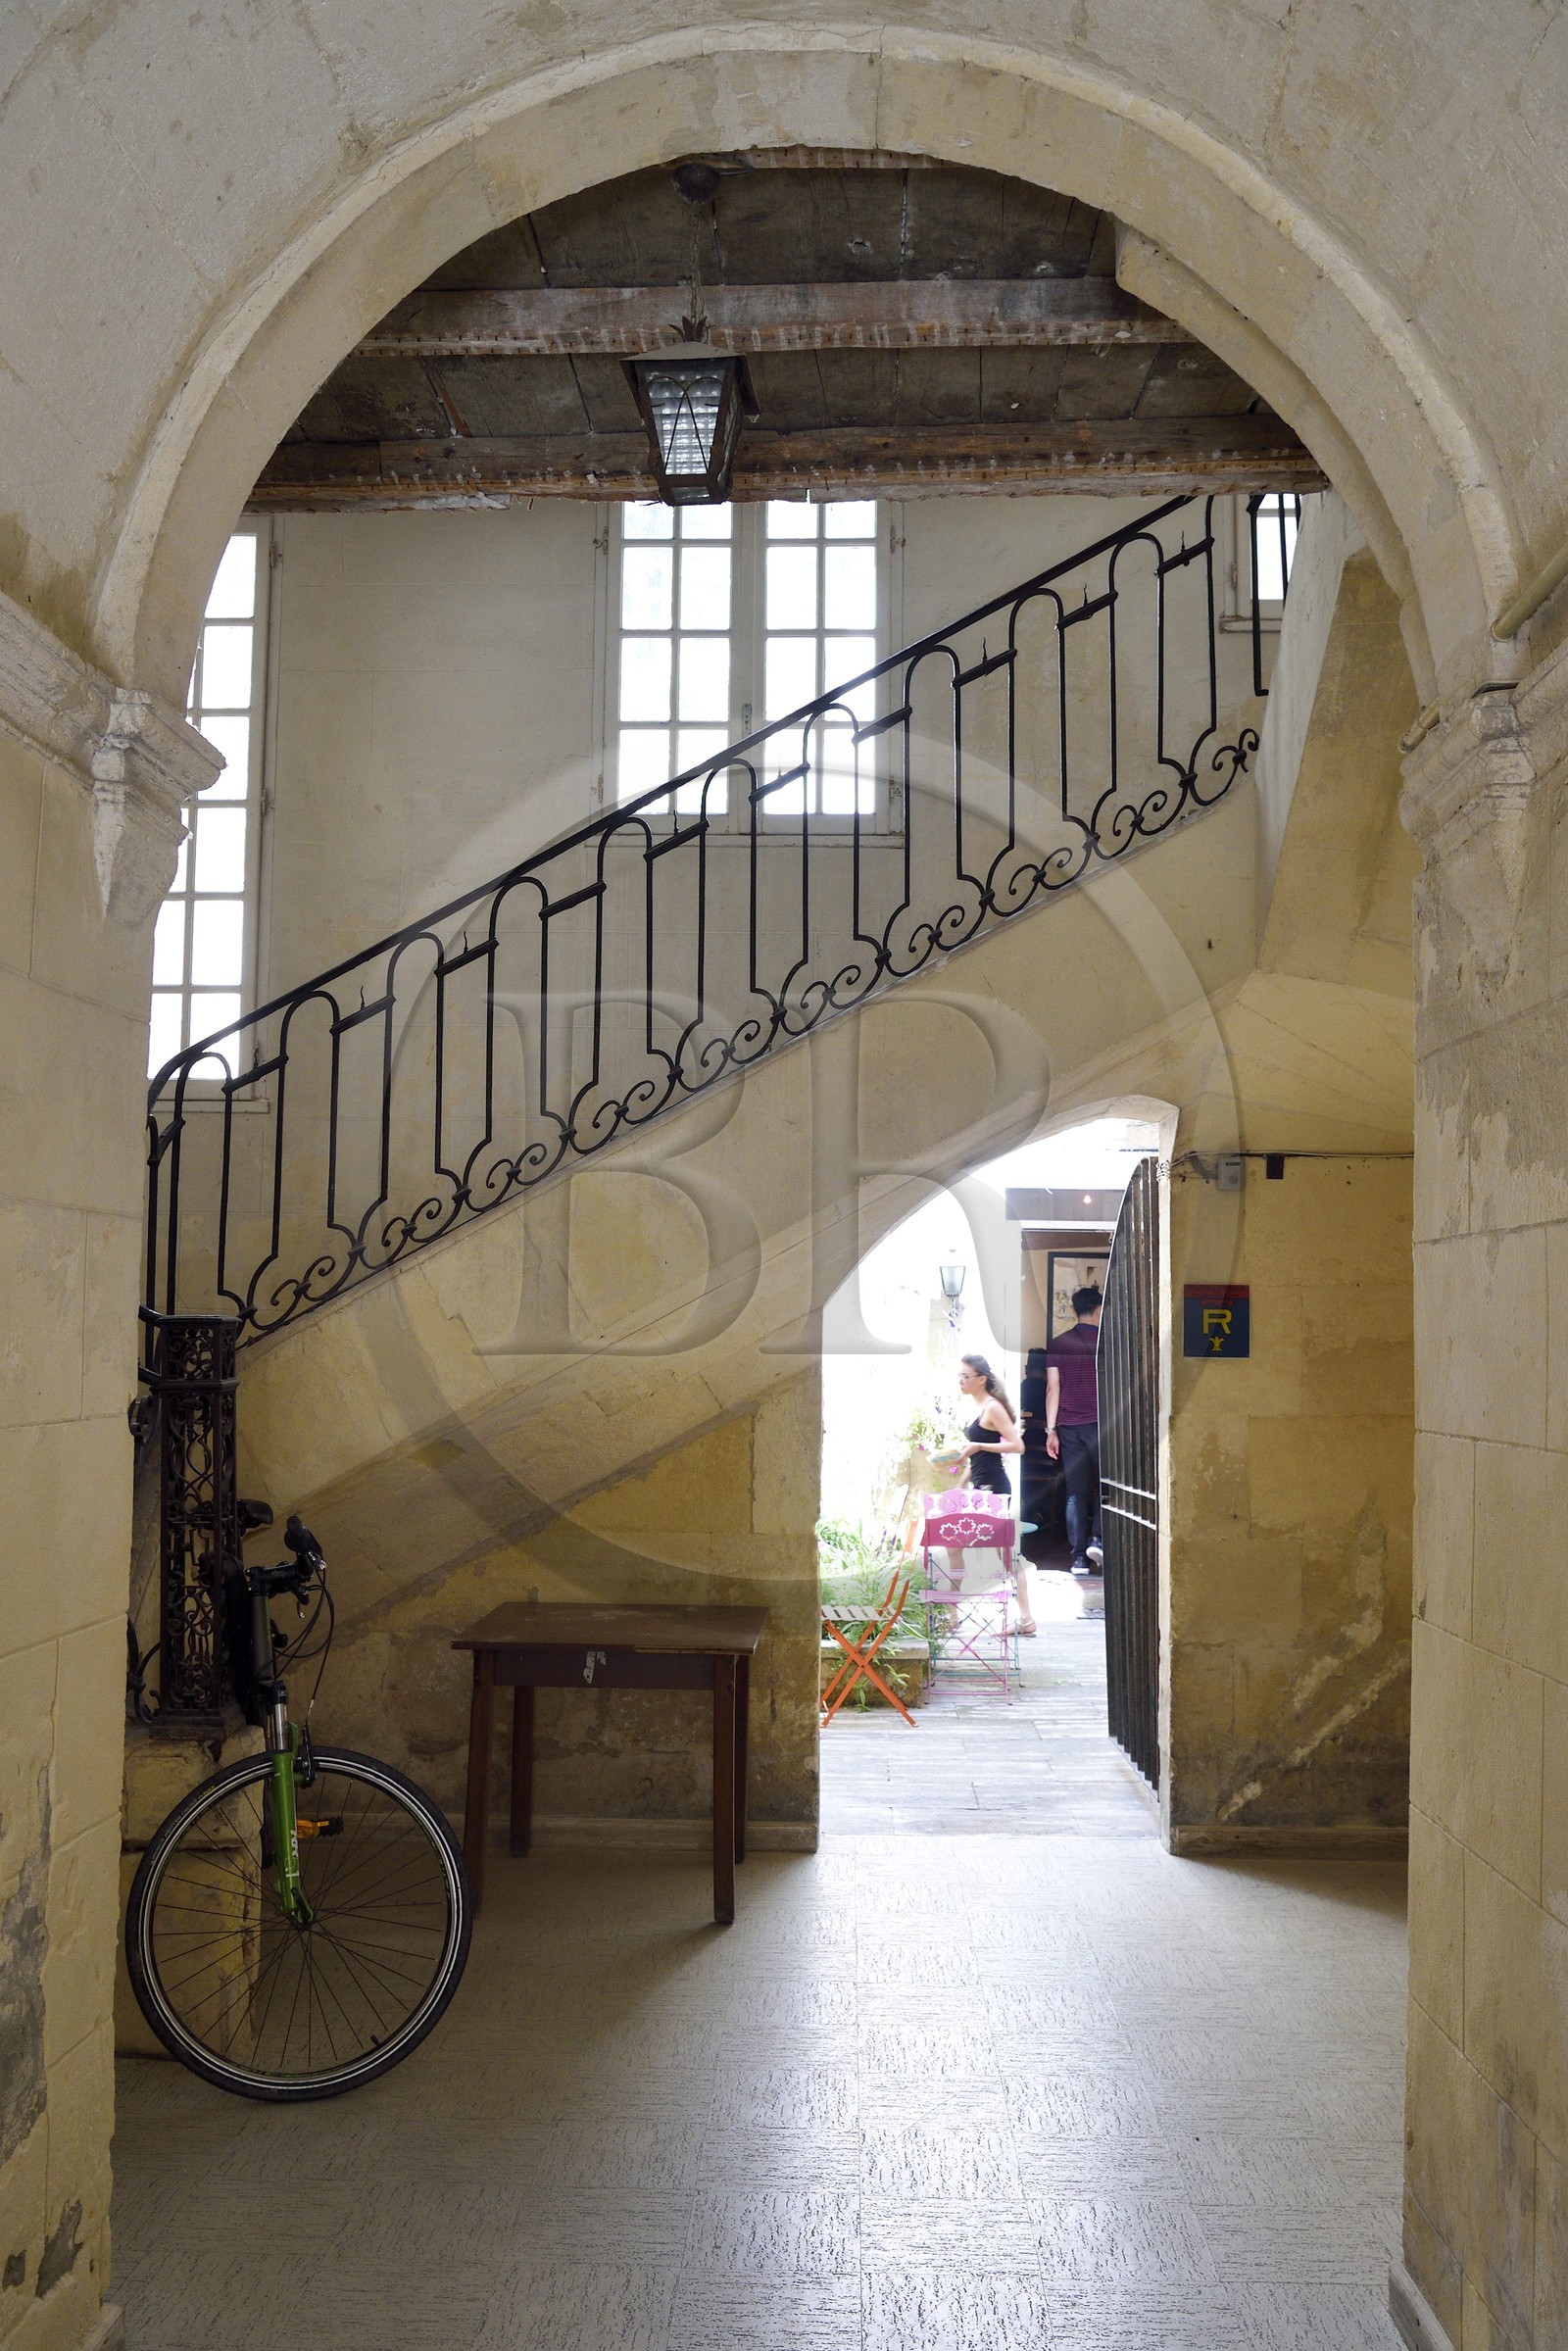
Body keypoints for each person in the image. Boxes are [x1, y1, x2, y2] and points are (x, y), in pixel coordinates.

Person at [951, 1352, 1032, 1635]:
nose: (961, 1381)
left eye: (965, 1376)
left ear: (981, 1379)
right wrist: (961, 1483)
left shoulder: (992, 1407)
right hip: (980, 1486)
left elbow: (1017, 1445)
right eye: (959, 1375)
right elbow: (978, 1459)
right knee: (957, 1545)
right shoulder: (978, 1407)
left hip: (994, 1489)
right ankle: (953, 1611)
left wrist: (979, 1447)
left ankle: (1024, 1618)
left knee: (1004, 1553)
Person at [1046, 1285, 1103, 1578]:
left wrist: (1050, 1430)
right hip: (1101, 1425)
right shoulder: (1108, 1343)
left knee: (1075, 1493)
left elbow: (1053, 1389)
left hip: (1068, 1427)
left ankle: (1078, 1559)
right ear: (1097, 1310)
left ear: (1074, 1310)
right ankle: (1098, 1539)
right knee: (1106, 1488)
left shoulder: (1058, 1344)